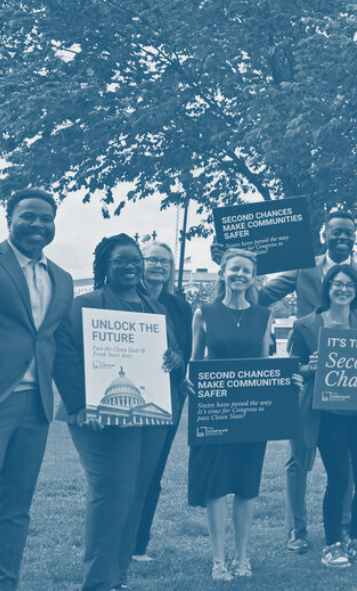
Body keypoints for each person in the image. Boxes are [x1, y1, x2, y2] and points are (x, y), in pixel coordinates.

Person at [54, 234, 180, 591]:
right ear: (105, 267)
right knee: (112, 493)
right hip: (98, 417)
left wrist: (175, 358)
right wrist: (79, 405)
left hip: (149, 417)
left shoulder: (154, 309)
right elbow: (62, 352)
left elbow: (172, 352)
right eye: (121, 261)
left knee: (137, 494)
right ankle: (96, 582)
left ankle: (119, 578)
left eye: (135, 261)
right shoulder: (86, 304)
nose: (130, 266)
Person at [0, 188, 74, 591]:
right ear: (8, 218)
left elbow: (59, 347)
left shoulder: (61, 279)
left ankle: (3, 585)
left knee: (15, 508)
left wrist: (78, 401)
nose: (38, 225)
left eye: (46, 218)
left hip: (36, 408)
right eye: (28, 216)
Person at [260, 210, 357, 552]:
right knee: (298, 455)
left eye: (349, 233)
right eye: (336, 233)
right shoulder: (303, 268)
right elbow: (262, 296)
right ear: (324, 235)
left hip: (350, 387)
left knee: (343, 467)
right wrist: (231, 271)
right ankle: (296, 531)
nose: (342, 238)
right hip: (309, 373)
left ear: (355, 237)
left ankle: (342, 530)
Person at [289, 264, 357, 569]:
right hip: (328, 414)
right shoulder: (306, 325)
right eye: (337, 283)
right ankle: (332, 545)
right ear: (327, 287)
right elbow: (293, 369)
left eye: (349, 285)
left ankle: (355, 540)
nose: (343, 289)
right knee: (340, 480)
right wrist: (309, 368)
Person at [186, 249, 273, 580]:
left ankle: (242, 557)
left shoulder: (265, 315)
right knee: (217, 485)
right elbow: (196, 363)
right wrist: (188, 384)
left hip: (251, 412)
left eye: (246, 270)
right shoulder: (203, 313)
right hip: (214, 410)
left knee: (246, 484)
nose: (240, 274)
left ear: (253, 277)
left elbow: (265, 364)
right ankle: (218, 559)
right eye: (234, 269)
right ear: (222, 273)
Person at [131, 240, 194, 563]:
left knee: (153, 472)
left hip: (167, 396)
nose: (158, 266)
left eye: (164, 262)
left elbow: (187, 352)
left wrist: (178, 355)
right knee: (125, 469)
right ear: (139, 263)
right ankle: (116, 539)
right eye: (151, 260)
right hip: (130, 394)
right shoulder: (126, 299)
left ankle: (138, 546)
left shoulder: (179, 306)